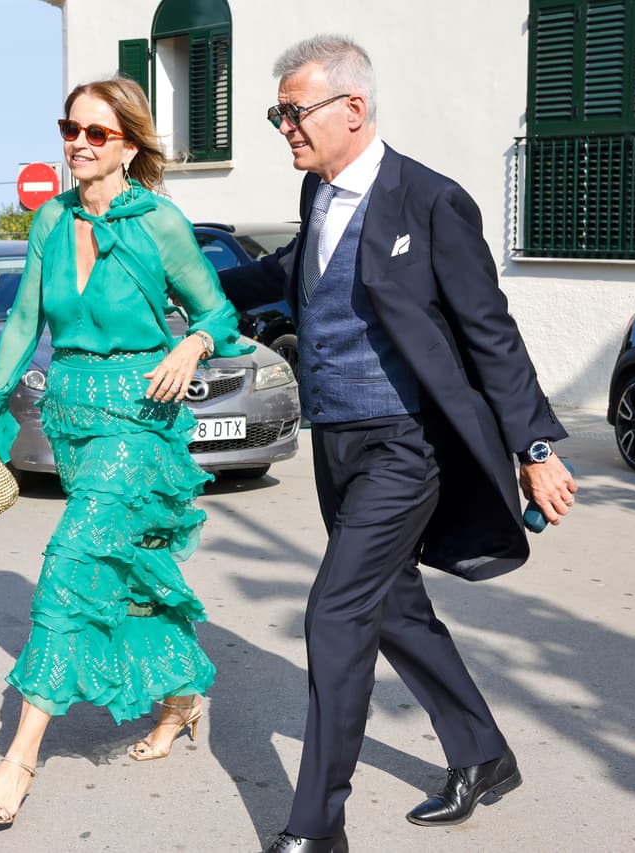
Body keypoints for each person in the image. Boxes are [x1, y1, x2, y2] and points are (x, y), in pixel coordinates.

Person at [215, 36, 579, 853]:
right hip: (336, 442)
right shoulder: (317, 193)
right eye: (278, 114)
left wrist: (535, 445)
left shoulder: (432, 200)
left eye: (294, 112)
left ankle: (318, 826)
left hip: (408, 444)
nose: (285, 128)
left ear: (354, 107)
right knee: (393, 605)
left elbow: (489, 331)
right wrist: (184, 283)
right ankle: (483, 753)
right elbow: (289, 273)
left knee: (336, 611)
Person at [0, 76, 249, 827]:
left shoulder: (160, 222)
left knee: (69, 565)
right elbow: (24, 321)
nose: (77, 144)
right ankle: (181, 700)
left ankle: (18, 757)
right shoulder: (51, 219)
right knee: (125, 572)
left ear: (129, 146)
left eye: (96, 133)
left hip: (140, 416)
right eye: (70, 129)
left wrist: (192, 343)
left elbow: (218, 309)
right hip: (73, 417)